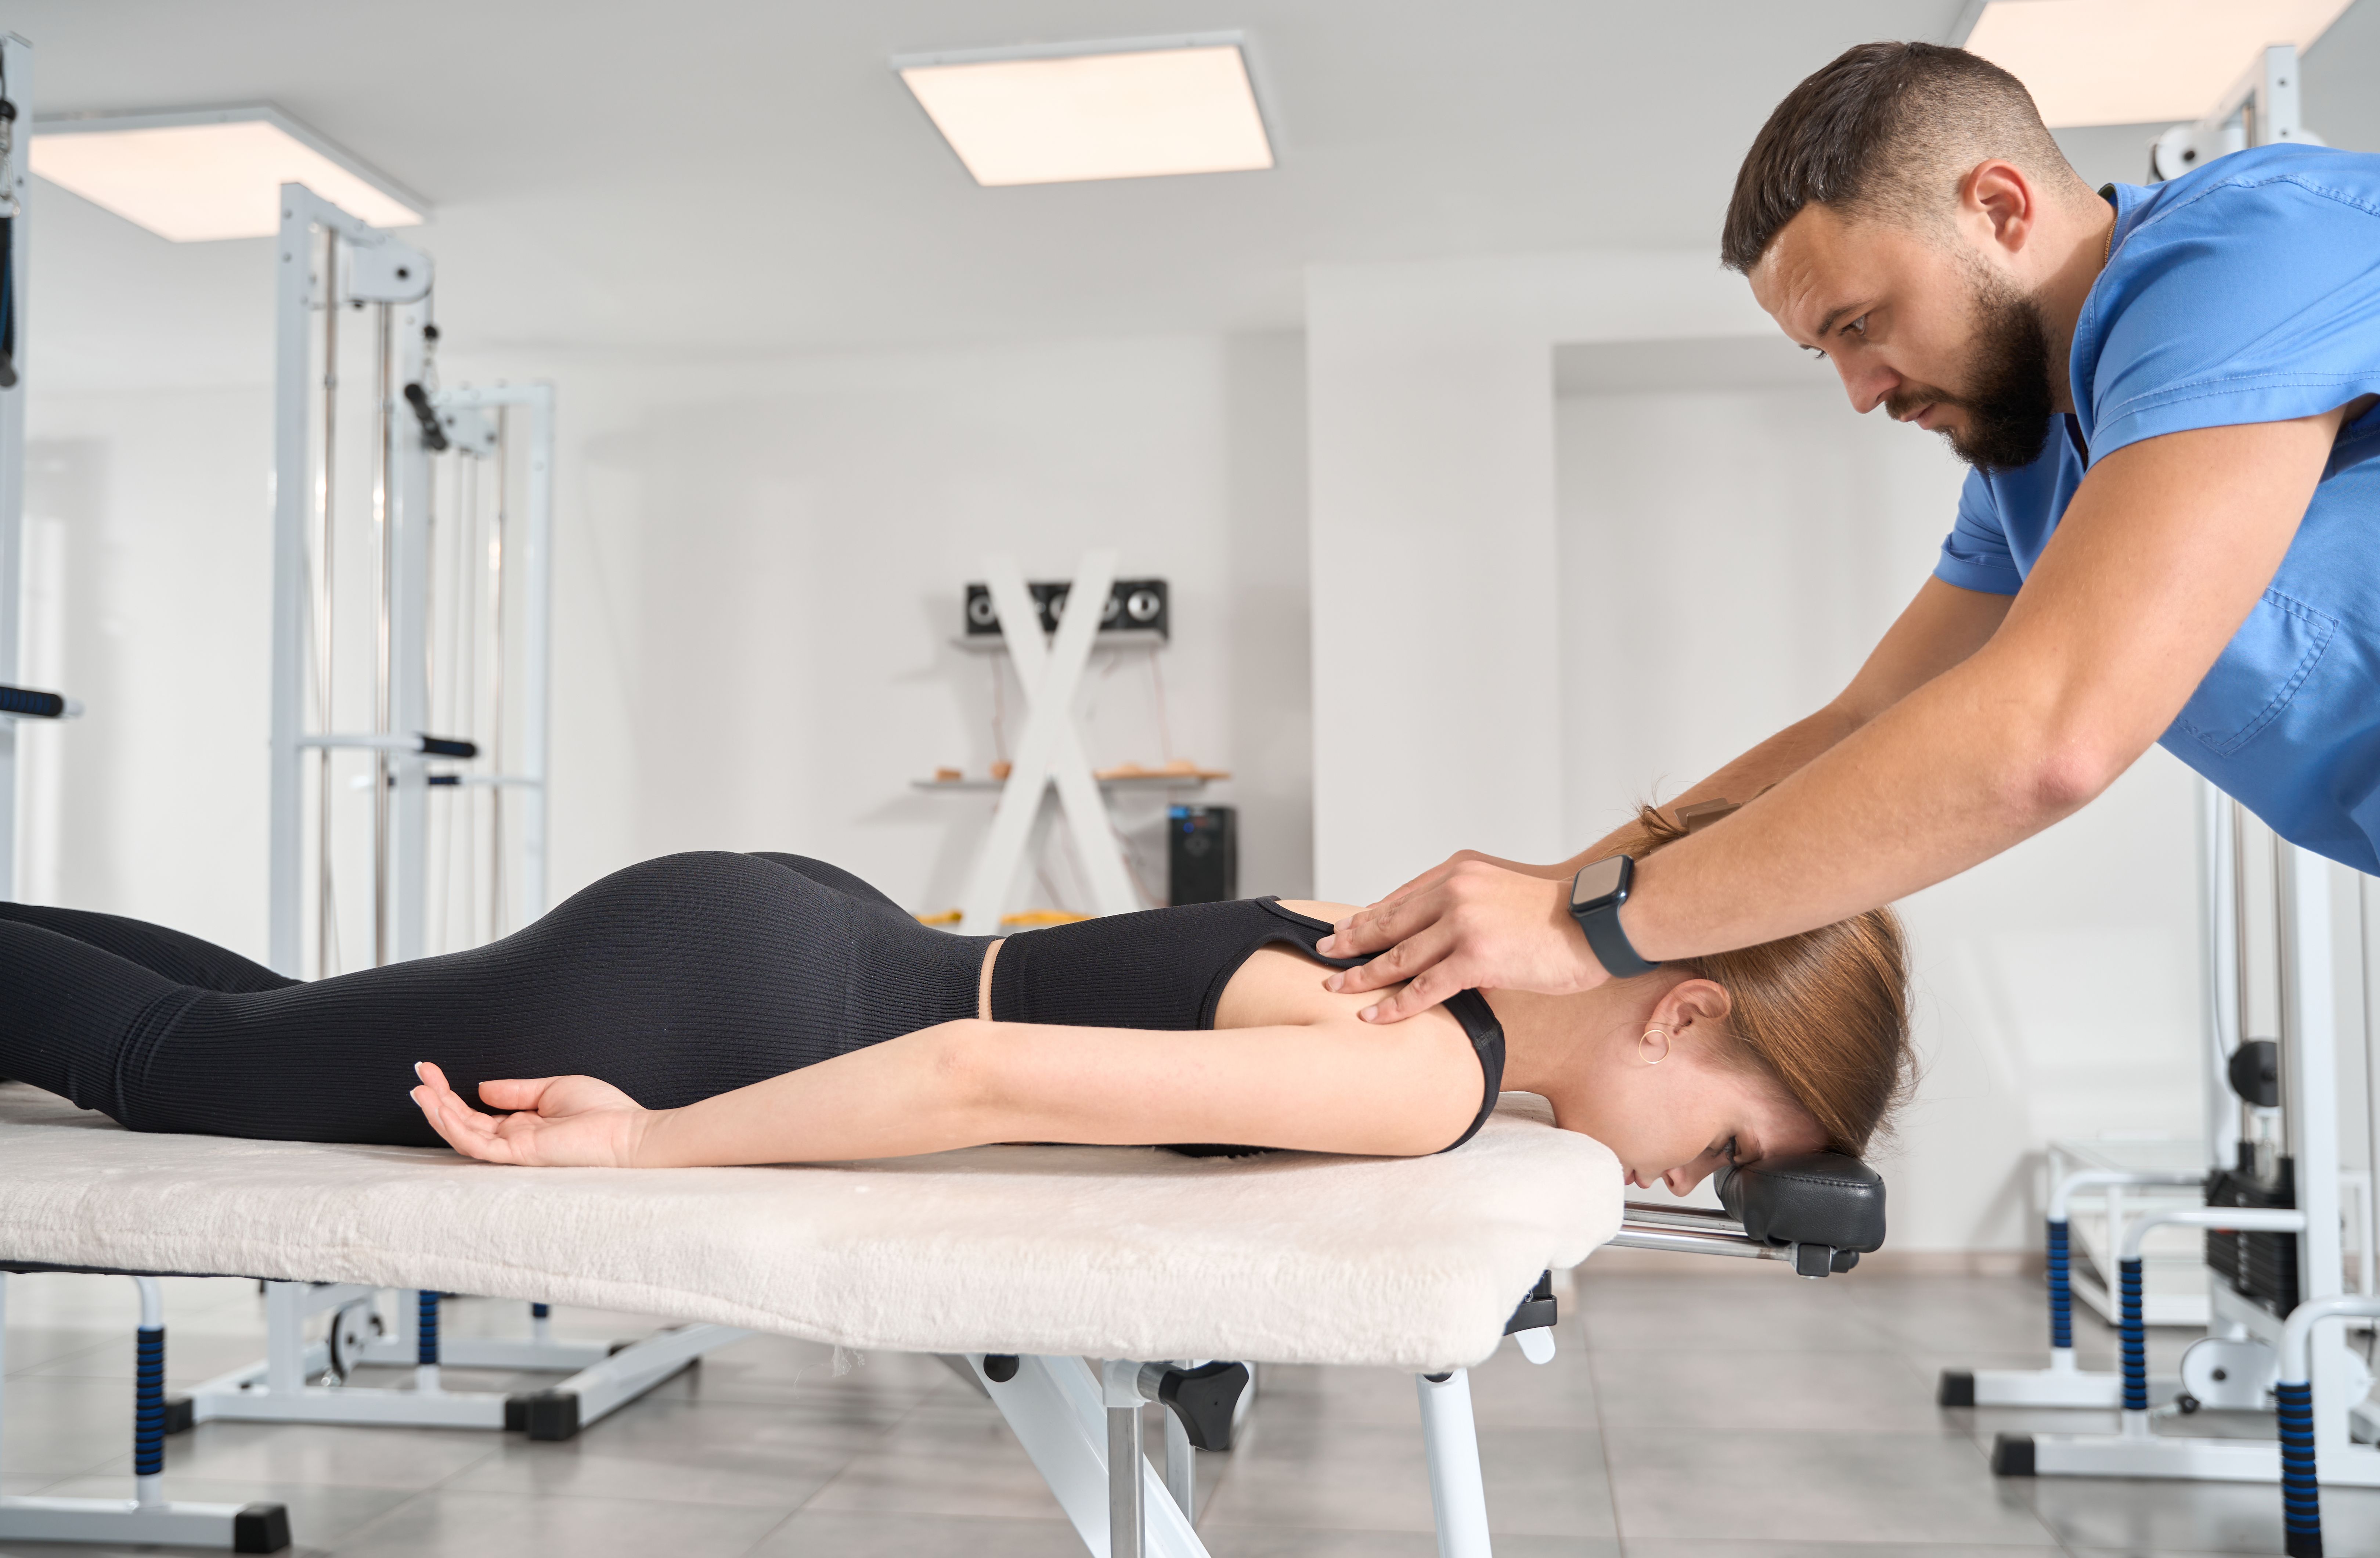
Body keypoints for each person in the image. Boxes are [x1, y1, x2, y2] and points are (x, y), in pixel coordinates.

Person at [1321, 40, 2380, 1025]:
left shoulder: (2250, 250)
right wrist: (1541, 895)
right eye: (1823, 350)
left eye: (1860, 325)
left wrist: (1592, 932)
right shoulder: (2038, 452)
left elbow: (2052, 735)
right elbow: (1864, 721)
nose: (1860, 391)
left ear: (2000, 209)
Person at [0, 825, 1912, 1191]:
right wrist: (650, 1138)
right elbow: (977, 1071)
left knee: (273, 1034)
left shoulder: (1438, 939)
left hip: (784, 936)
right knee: (175, 1075)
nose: (1692, 1186)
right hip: (722, 1013)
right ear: (1684, 1026)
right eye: (1732, 1151)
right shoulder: (1425, 1077)